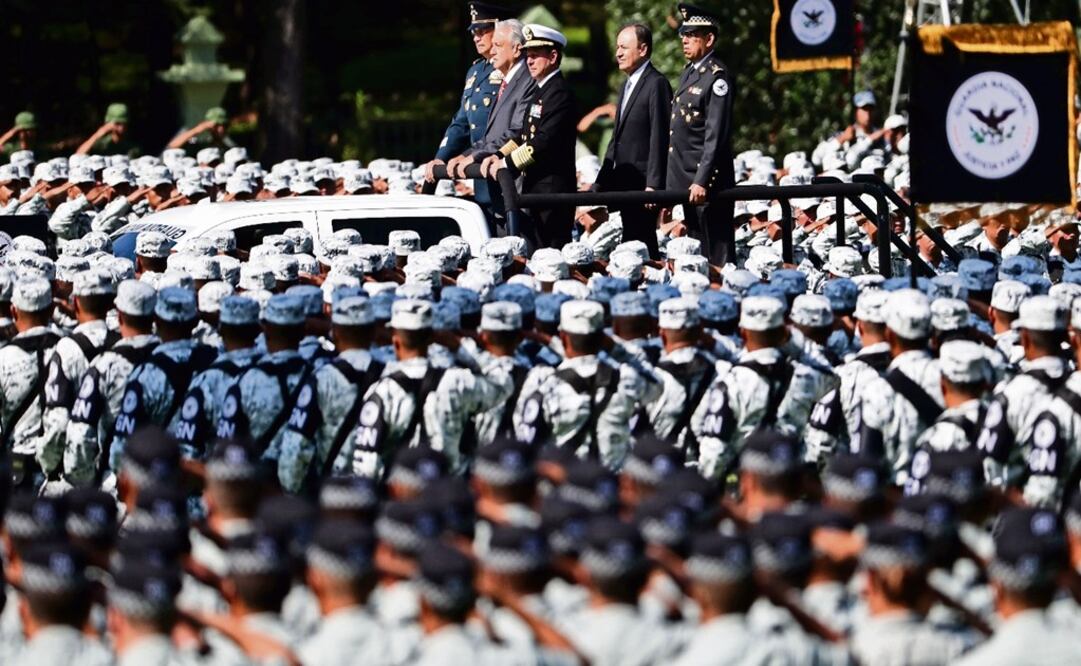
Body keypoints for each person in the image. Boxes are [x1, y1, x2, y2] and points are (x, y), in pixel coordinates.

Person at [481, 24, 578, 250]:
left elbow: (544, 142)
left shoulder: (559, 92)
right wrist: (497, 156)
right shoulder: (540, 90)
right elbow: (522, 136)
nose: (529, 62)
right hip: (535, 189)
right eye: (527, 56)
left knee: (551, 254)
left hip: (553, 192)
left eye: (535, 56)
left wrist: (508, 163)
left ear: (553, 56)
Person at [443, 17, 537, 234]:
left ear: (515, 49)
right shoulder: (505, 79)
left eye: (498, 45)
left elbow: (516, 132)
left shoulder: (527, 80)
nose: (491, 51)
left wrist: (474, 157)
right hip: (498, 188)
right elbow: (485, 131)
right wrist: (466, 154)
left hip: (518, 186)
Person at [424, 2, 512, 213]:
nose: (476, 37)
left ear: (499, 29)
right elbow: (461, 122)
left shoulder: (512, 68)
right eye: (474, 32)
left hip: (503, 168)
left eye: (482, 31)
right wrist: (441, 157)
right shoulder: (475, 71)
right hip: (478, 173)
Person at [666, 3, 736, 266]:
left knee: (716, 258)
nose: (684, 40)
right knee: (696, 254)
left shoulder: (717, 77)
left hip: (707, 184)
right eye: (683, 34)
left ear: (709, 39)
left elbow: (715, 135)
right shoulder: (690, 73)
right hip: (688, 180)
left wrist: (702, 179)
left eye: (692, 35)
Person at [596, 22, 672, 260]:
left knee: (643, 247)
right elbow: (616, 138)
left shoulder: (656, 83)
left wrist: (654, 185)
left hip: (642, 186)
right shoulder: (627, 85)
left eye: (624, 47)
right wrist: (602, 179)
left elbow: (660, 135)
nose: (618, 53)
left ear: (643, 50)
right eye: (617, 47)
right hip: (624, 183)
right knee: (630, 245)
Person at [166, 106, 236, 150]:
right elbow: (172, 146)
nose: (221, 129)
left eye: (225, 125)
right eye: (216, 125)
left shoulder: (230, 148)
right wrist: (197, 129)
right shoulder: (201, 146)